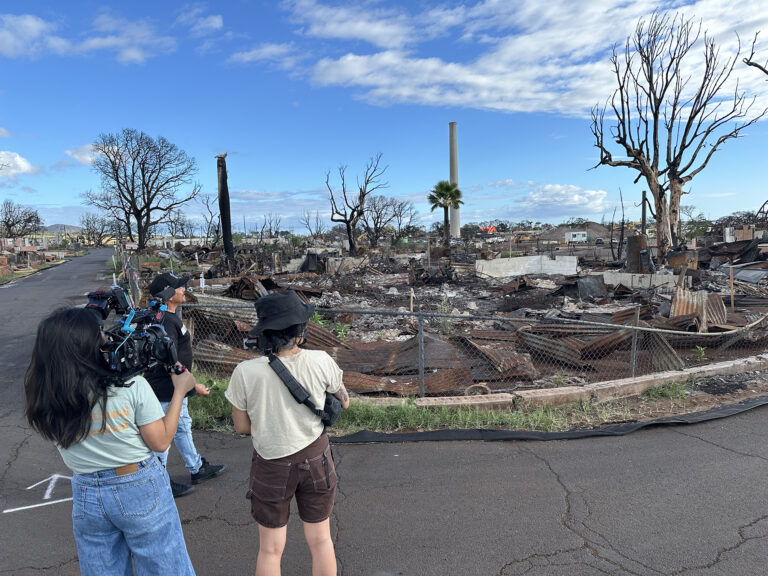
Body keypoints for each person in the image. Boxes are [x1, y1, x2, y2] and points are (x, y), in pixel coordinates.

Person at [24, 307, 197, 575]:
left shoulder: (48, 401)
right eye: (100, 335)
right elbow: (161, 442)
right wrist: (180, 391)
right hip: (138, 484)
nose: (106, 340)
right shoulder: (132, 387)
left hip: (85, 491)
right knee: (165, 565)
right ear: (87, 346)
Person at [226, 290, 350, 576]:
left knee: (270, 549)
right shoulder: (321, 360)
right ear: (300, 332)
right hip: (316, 459)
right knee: (321, 540)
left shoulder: (244, 372)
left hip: (271, 463)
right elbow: (343, 400)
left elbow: (242, 427)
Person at [144, 272, 226, 497]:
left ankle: (197, 467)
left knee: (181, 428)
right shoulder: (164, 321)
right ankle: (158, 482)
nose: (183, 290)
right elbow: (168, 361)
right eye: (179, 287)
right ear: (168, 295)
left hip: (173, 390)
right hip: (167, 391)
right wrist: (192, 387)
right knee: (164, 436)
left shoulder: (163, 316)